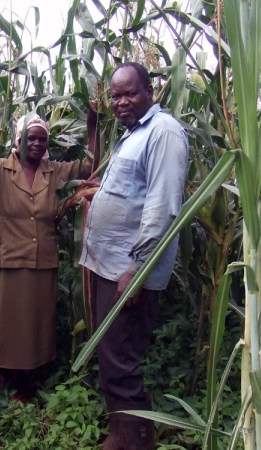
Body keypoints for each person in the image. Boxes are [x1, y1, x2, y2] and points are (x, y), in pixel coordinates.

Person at [79, 62, 189, 449]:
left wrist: (136, 272)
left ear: (150, 91)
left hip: (128, 271)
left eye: (130, 93)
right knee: (111, 356)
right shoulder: (132, 135)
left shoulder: (164, 133)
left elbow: (162, 210)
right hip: (109, 266)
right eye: (116, 96)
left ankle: (137, 440)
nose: (121, 102)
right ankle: (120, 434)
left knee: (121, 360)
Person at [0, 113, 91, 400]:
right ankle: (4, 373)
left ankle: (29, 379)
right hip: (7, 258)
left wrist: (94, 124)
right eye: (30, 138)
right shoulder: (0, 169)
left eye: (41, 138)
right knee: (6, 321)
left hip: (41, 261)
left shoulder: (55, 171)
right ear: (18, 141)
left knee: (36, 323)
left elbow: (91, 165)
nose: (36, 143)